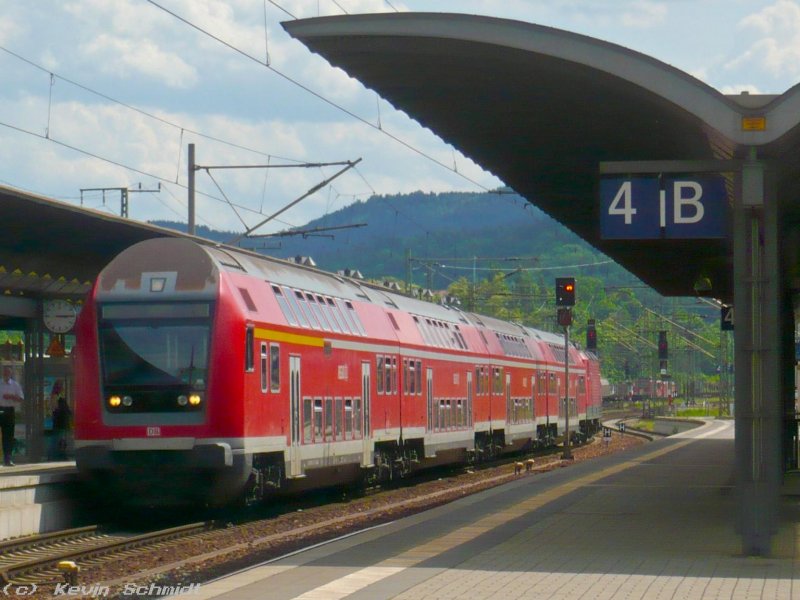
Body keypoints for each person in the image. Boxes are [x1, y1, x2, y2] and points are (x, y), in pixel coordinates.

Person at [0, 365, 23, 466]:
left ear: (11, 374)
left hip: (9, 410)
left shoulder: (15, 385)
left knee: (8, 435)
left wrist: (12, 396)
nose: (6, 374)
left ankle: (7, 459)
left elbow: (21, 399)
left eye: (8, 373)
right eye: (5, 372)